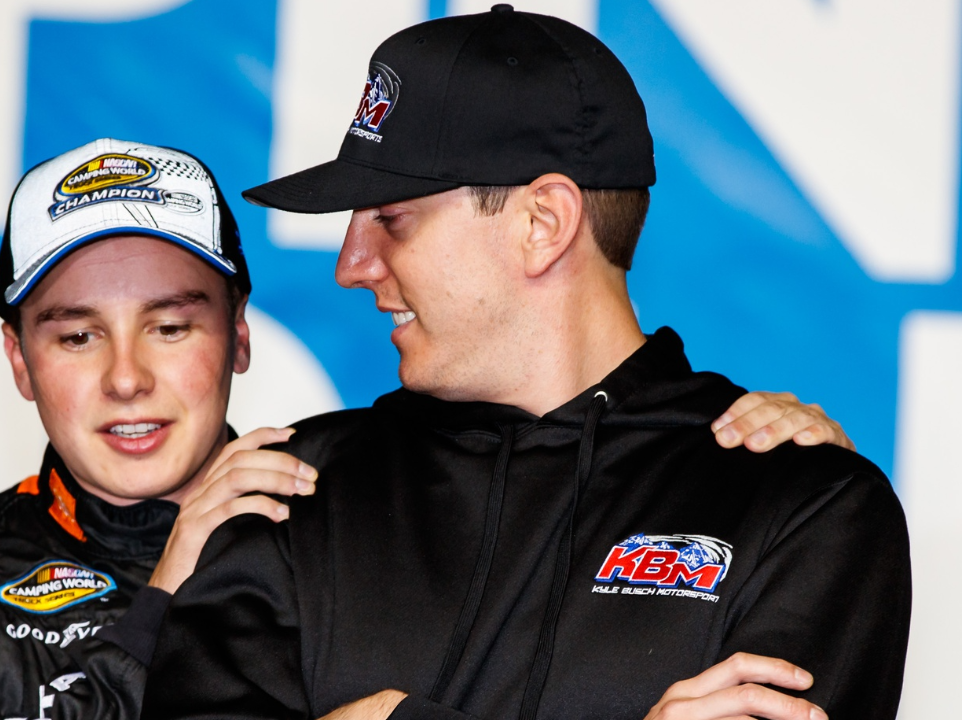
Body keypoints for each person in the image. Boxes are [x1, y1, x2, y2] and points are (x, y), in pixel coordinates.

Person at [0, 137, 847, 718]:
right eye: (75, 335)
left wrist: (729, 463)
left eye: (171, 325)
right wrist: (170, 599)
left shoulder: (360, 509)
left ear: (237, 340)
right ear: (17, 361)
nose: (127, 378)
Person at [142, 8, 910, 720]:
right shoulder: (292, 489)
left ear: (543, 222)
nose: (352, 264)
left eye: (391, 219)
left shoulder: (805, 505)